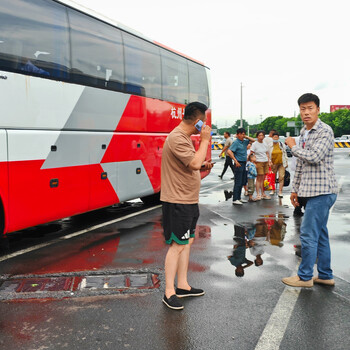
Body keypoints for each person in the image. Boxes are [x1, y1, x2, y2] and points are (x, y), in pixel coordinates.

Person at [161, 101, 213, 310]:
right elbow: (192, 163)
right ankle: (169, 292)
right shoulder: (177, 138)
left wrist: (202, 163)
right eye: (205, 121)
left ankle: (182, 285)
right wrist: (205, 141)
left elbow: (192, 164)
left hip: (189, 199)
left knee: (187, 243)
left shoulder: (184, 138)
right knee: (178, 245)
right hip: (178, 201)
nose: (207, 124)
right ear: (199, 121)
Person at [282, 93, 338, 288]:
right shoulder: (304, 133)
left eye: (310, 108)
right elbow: (300, 165)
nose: (306, 112)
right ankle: (325, 275)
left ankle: (305, 277)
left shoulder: (324, 130)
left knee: (307, 234)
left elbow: (314, 157)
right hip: (310, 191)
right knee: (320, 234)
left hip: (322, 191)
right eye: (303, 109)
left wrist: (293, 146)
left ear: (318, 110)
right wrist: (295, 190)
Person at [226, 128, 255, 205]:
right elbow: (229, 151)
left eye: (244, 134)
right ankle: (235, 199)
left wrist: (246, 137)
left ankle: (239, 198)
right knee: (238, 182)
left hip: (244, 163)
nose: (243, 135)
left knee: (242, 181)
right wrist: (235, 161)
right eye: (241, 134)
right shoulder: (236, 142)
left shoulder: (244, 142)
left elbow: (254, 140)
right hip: (239, 163)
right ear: (238, 134)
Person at [250, 130, 272, 200]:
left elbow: (267, 153)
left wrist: (269, 161)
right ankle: (258, 194)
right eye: (259, 135)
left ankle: (263, 193)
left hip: (265, 161)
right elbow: (251, 153)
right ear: (257, 136)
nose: (261, 137)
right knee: (259, 179)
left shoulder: (265, 143)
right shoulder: (255, 144)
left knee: (263, 178)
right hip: (258, 162)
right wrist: (253, 162)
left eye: (262, 135)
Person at [269, 131, 288, 197]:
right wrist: (269, 161)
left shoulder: (282, 144)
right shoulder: (270, 145)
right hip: (273, 163)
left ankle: (280, 191)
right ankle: (273, 190)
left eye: (277, 137)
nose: (275, 138)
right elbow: (268, 154)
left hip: (281, 163)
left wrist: (286, 162)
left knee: (281, 177)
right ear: (272, 137)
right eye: (274, 137)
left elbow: (285, 153)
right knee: (273, 177)